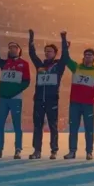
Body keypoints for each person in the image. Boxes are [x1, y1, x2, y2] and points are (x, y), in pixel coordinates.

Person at [63, 35, 94, 160]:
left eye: (90, 55)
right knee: (73, 128)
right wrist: (65, 47)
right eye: (86, 54)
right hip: (75, 103)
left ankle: (89, 151)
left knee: (89, 129)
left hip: (88, 104)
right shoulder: (76, 67)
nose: (88, 56)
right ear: (84, 57)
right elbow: (66, 59)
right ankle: (72, 151)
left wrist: (89, 95)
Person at [28, 29, 69, 159]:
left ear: (55, 53)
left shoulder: (59, 66)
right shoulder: (40, 65)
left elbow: (65, 56)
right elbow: (32, 54)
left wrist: (63, 39)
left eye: (50, 51)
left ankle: (54, 150)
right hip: (39, 100)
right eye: (45, 51)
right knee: (37, 126)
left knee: (53, 125)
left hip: (52, 100)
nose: (47, 53)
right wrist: (31, 39)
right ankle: (37, 151)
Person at [0, 41, 31, 159]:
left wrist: (14, 92)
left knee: (17, 125)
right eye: (10, 48)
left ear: (19, 50)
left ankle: (18, 149)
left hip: (15, 99)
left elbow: (26, 81)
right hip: (3, 99)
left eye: (15, 48)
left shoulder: (24, 64)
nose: (12, 49)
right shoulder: (5, 63)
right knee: (0, 125)